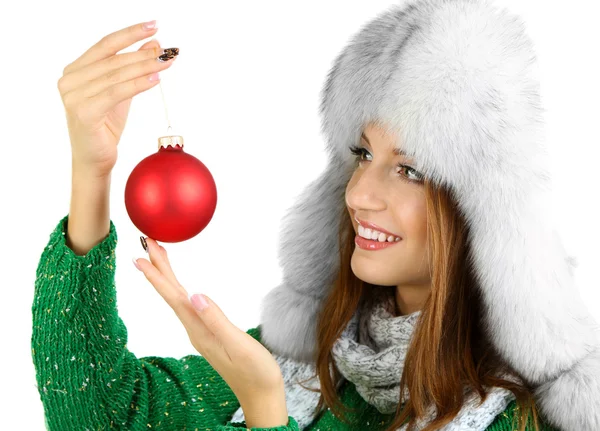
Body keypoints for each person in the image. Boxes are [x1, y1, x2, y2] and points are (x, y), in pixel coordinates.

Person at [31, 1, 600, 430]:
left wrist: (265, 408)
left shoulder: (509, 414)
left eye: (410, 170)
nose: (358, 195)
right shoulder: (312, 357)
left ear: (482, 213)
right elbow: (104, 412)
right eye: (363, 155)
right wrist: (92, 169)